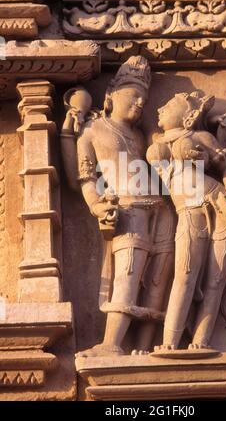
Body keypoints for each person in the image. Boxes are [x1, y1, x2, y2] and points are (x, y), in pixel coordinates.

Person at [61, 56, 175, 355]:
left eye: (144, 99)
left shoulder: (140, 134)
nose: (139, 103)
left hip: (161, 211)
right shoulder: (92, 130)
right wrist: (97, 207)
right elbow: (83, 178)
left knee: (157, 279)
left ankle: (144, 347)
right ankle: (111, 344)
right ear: (110, 96)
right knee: (128, 274)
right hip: (127, 209)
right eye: (133, 95)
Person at [147, 91, 226, 350]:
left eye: (167, 105)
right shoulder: (155, 141)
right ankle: (169, 343)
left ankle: (200, 342)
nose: (160, 110)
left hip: (219, 204)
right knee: (185, 275)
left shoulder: (200, 137)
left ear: (188, 117)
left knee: (215, 279)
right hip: (187, 210)